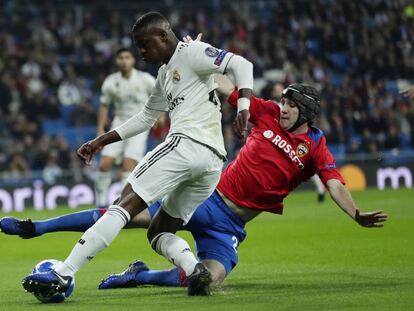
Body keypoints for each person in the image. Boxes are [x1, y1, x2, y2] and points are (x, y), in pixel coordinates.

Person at [4, 77, 386, 291]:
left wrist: (354, 214)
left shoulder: (316, 145)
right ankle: (38, 227)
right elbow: (223, 83)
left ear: (306, 112)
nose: (282, 108)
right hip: (206, 198)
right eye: (282, 102)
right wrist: (197, 61)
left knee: (207, 282)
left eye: (290, 105)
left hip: (232, 226)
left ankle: (140, 275)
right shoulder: (264, 112)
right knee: (125, 214)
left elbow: (334, 182)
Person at [21, 11, 253, 297]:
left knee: (124, 201)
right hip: (211, 162)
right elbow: (145, 117)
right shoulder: (165, 73)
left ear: (164, 36)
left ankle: (63, 271)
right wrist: (100, 141)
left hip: (187, 144)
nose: (141, 51)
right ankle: (196, 271)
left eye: (145, 44)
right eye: (137, 45)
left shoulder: (191, 52)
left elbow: (240, 64)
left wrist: (244, 106)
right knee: (158, 231)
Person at [95, 47, 156, 208]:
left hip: (139, 126)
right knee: (104, 164)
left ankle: (121, 203)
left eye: (127, 57)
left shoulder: (145, 79)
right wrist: (100, 129)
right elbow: (104, 106)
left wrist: (161, 117)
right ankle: (101, 202)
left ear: (133, 60)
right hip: (119, 124)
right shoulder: (110, 82)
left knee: (129, 165)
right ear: (116, 61)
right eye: (121, 57)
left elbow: (161, 95)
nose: (124, 61)